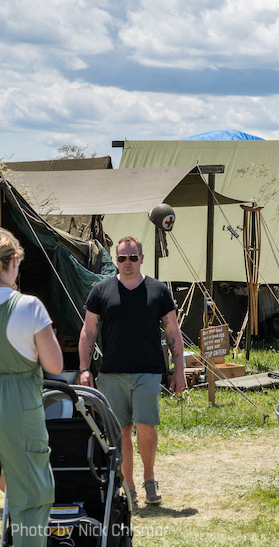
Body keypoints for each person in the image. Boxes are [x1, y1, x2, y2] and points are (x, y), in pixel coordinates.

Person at [78, 236, 185, 506]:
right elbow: (88, 332)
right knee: (121, 431)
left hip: (148, 371)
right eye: (122, 258)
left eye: (132, 258)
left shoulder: (158, 290)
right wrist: (84, 369)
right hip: (112, 373)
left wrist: (179, 369)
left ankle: (149, 478)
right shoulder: (101, 291)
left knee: (146, 427)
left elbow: (172, 330)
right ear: (116, 260)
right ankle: (129, 484)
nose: (127, 263)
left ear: (141, 258)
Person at [1, 228, 62, 547]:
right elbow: (54, 364)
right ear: (12, 262)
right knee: (31, 496)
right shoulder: (29, 307)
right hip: (18, 407)